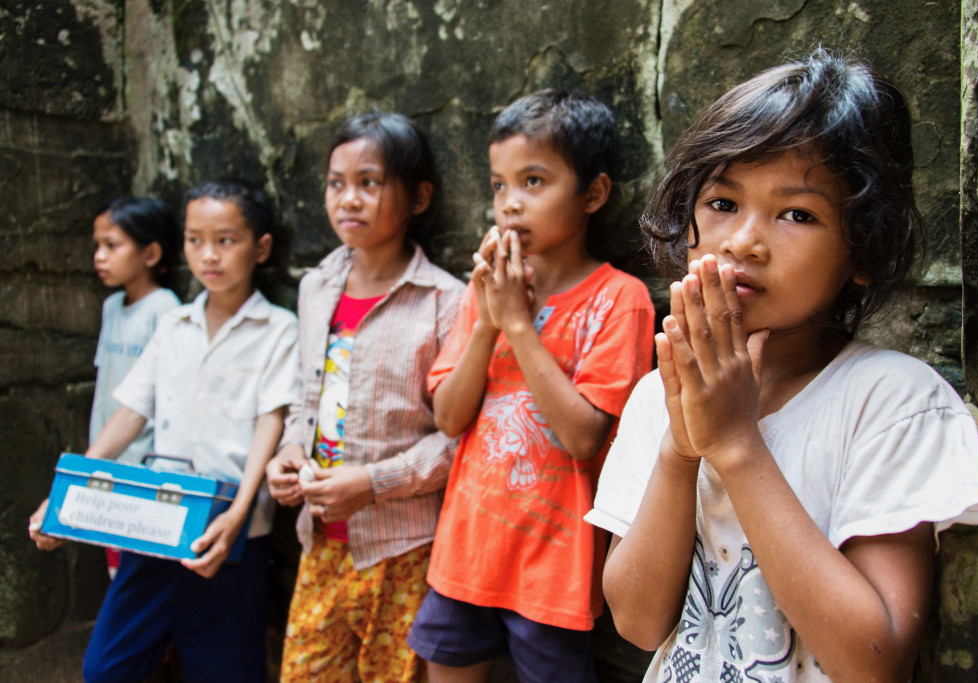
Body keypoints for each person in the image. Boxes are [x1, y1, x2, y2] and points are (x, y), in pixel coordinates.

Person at [586, 48, 978, 682]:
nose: (743, 240)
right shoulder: (656, 398)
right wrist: (679, 449)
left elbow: (871, 661)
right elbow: (637, 622)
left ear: (865, 248)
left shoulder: (891, 402)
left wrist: (738, 445)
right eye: (722, 202)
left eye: (797, 214)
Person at [407, 88, 656, 683]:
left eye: (534, 182)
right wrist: (490, 320)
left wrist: (518, 327)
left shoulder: (620, 300)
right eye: (499, 185)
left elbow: (584, 438)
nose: (510, 204)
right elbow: (448, 416)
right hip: (467, 551)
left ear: (593, 193)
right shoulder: (487, 287)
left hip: (553, 566)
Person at [30, 178, 299, 683]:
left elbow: (273, 421)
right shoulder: (173, 325)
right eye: (195, 240)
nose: (208, 255)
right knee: (106, 666)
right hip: (156, 527)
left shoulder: (279, 328)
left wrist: (238, 515)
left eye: (226, 240)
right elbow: (130, 414)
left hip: (233, 539)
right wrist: (64, 495)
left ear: (260, 247)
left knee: (227, 673)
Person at [265, 111, 463, 682]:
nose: (348, 199)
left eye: (369, 183)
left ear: (418, 196)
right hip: (319, 540)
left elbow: (458, 441)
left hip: (402, 547)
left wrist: (371, 483)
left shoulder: (443, 302)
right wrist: (289, 454)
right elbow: (308, 399)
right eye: (336, 183)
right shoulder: (316, 286)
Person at [91, 197, 182, 578]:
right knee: (115, 564)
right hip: (106, 457)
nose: (99, 256)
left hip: (141, 463)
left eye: (112, 246)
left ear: (151, 253)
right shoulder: (112, 306)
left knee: (136, 571)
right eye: (97, 246)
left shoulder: (165, 309)